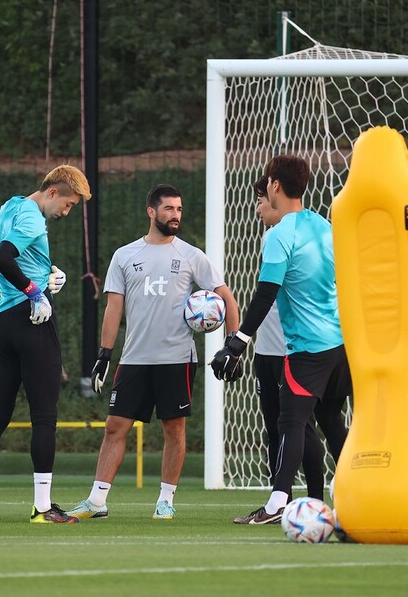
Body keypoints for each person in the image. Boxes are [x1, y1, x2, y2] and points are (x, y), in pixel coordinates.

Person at [66, 184, 239, 520]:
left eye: (179, 210)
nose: (175, 215)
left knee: (173, 429)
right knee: (115, 426)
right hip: (133, 359)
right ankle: (97, 500)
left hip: (177, 358)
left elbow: (226, 297)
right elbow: (113, 308)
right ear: (151, 211)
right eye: (169, 209)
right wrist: (104, 354)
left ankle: (166, 500)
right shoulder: (125, 255)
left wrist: (234, 343)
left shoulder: (191, 255)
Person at [211, 155, 352, 525]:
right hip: (340, 346)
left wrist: (237, 341)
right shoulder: (324, 226)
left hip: (307, 349)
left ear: (274, 185)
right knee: (330, 420)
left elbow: (266, 293)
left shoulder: (279, 234)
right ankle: (361, 487)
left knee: (289, 421)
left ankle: (276, 504)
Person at [0, 164, 91, 524]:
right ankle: (42, 507)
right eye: (68, 205)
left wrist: (48, 270)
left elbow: (15, 255)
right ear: (53, 192)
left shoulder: (10, 206)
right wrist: (34, 291)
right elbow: (2, 257)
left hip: (4, 322)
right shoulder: (34, 219)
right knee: (44, 417)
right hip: (33, 320)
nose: (67, 213)